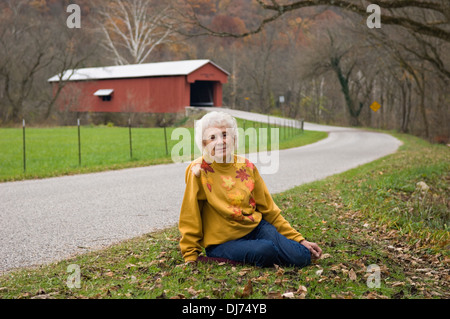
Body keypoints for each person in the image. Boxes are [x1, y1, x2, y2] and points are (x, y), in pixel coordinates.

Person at [178, 111, 322, 267]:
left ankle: (276, 251)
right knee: (266, 250)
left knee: (302, 257)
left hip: (256, 228)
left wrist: (300, 240)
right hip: (222, 242)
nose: (220, 142)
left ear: (234, 138)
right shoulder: (198, 170)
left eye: (225, 135)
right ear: (204, 143)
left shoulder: (247, 167)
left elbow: (269, 210)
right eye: (212, 137)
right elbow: (190, 214)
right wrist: (190, 255)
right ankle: (228, 256)